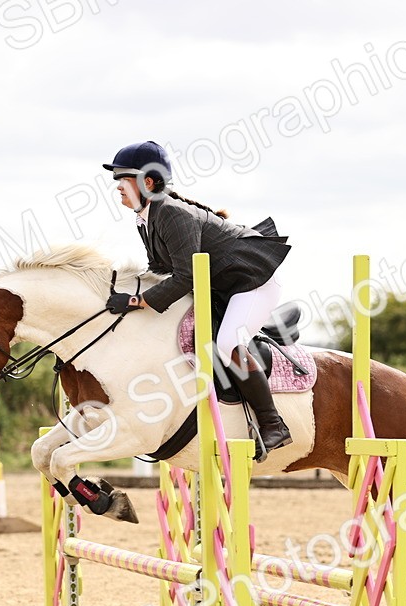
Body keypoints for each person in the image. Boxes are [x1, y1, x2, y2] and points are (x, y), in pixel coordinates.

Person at [101, 140, 293, 460]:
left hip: (253, 283)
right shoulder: (145, 217)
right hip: (221, 285)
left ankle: (273, 424)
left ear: (147, 182)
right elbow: (160, 271)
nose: (117, 186)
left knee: (226, 345)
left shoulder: (173, 214)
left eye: (123, 179)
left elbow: (186, 275)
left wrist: (137, 302)